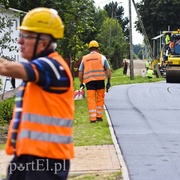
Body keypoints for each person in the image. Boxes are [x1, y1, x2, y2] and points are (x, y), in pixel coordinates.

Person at [0, 7, 74, 180]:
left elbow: (5, 67)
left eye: (26, 36)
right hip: (29, 156)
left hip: (46, 161)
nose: (19, 41)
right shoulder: (43, 67)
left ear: (43, 42)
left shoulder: (53, 67)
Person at [78, 40, 111, 123]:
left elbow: (80, 71)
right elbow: (108, 70)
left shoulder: (84, 58)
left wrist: (81, 82)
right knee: (100, 98)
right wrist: (108, 81)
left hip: (89, 81)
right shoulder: (102, 57)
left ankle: (92, 118)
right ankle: (99, 116)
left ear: (89, 49)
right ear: (97, 48)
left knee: (91, 99)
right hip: (100, 81)